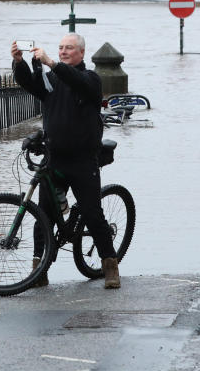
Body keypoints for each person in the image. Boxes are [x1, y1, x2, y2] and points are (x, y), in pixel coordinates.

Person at [10, 33, 121, 289]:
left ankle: (110, 264)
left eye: (69, 48)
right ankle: (40, 269)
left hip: (83, 161)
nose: (63, 51)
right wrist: (19, 63)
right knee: (43, 217)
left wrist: (51, 63)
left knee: (93, 215)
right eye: (60, 48)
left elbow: (78, 81)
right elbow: (30, 84)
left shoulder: (91, 79)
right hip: (54, 160)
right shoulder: (51, 79)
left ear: (81, 53)